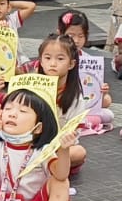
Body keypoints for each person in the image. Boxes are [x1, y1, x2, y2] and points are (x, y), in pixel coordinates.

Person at [34, 33, 89, 171]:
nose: (52, 63)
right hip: (30, 145)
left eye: (60, 58)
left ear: (71, 64)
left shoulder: (76, 100)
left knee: (79, 152)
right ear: (40, 61)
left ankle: (47, 166)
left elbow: (73, 134)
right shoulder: (31, 88)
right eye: (47, 58)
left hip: (58, 149)